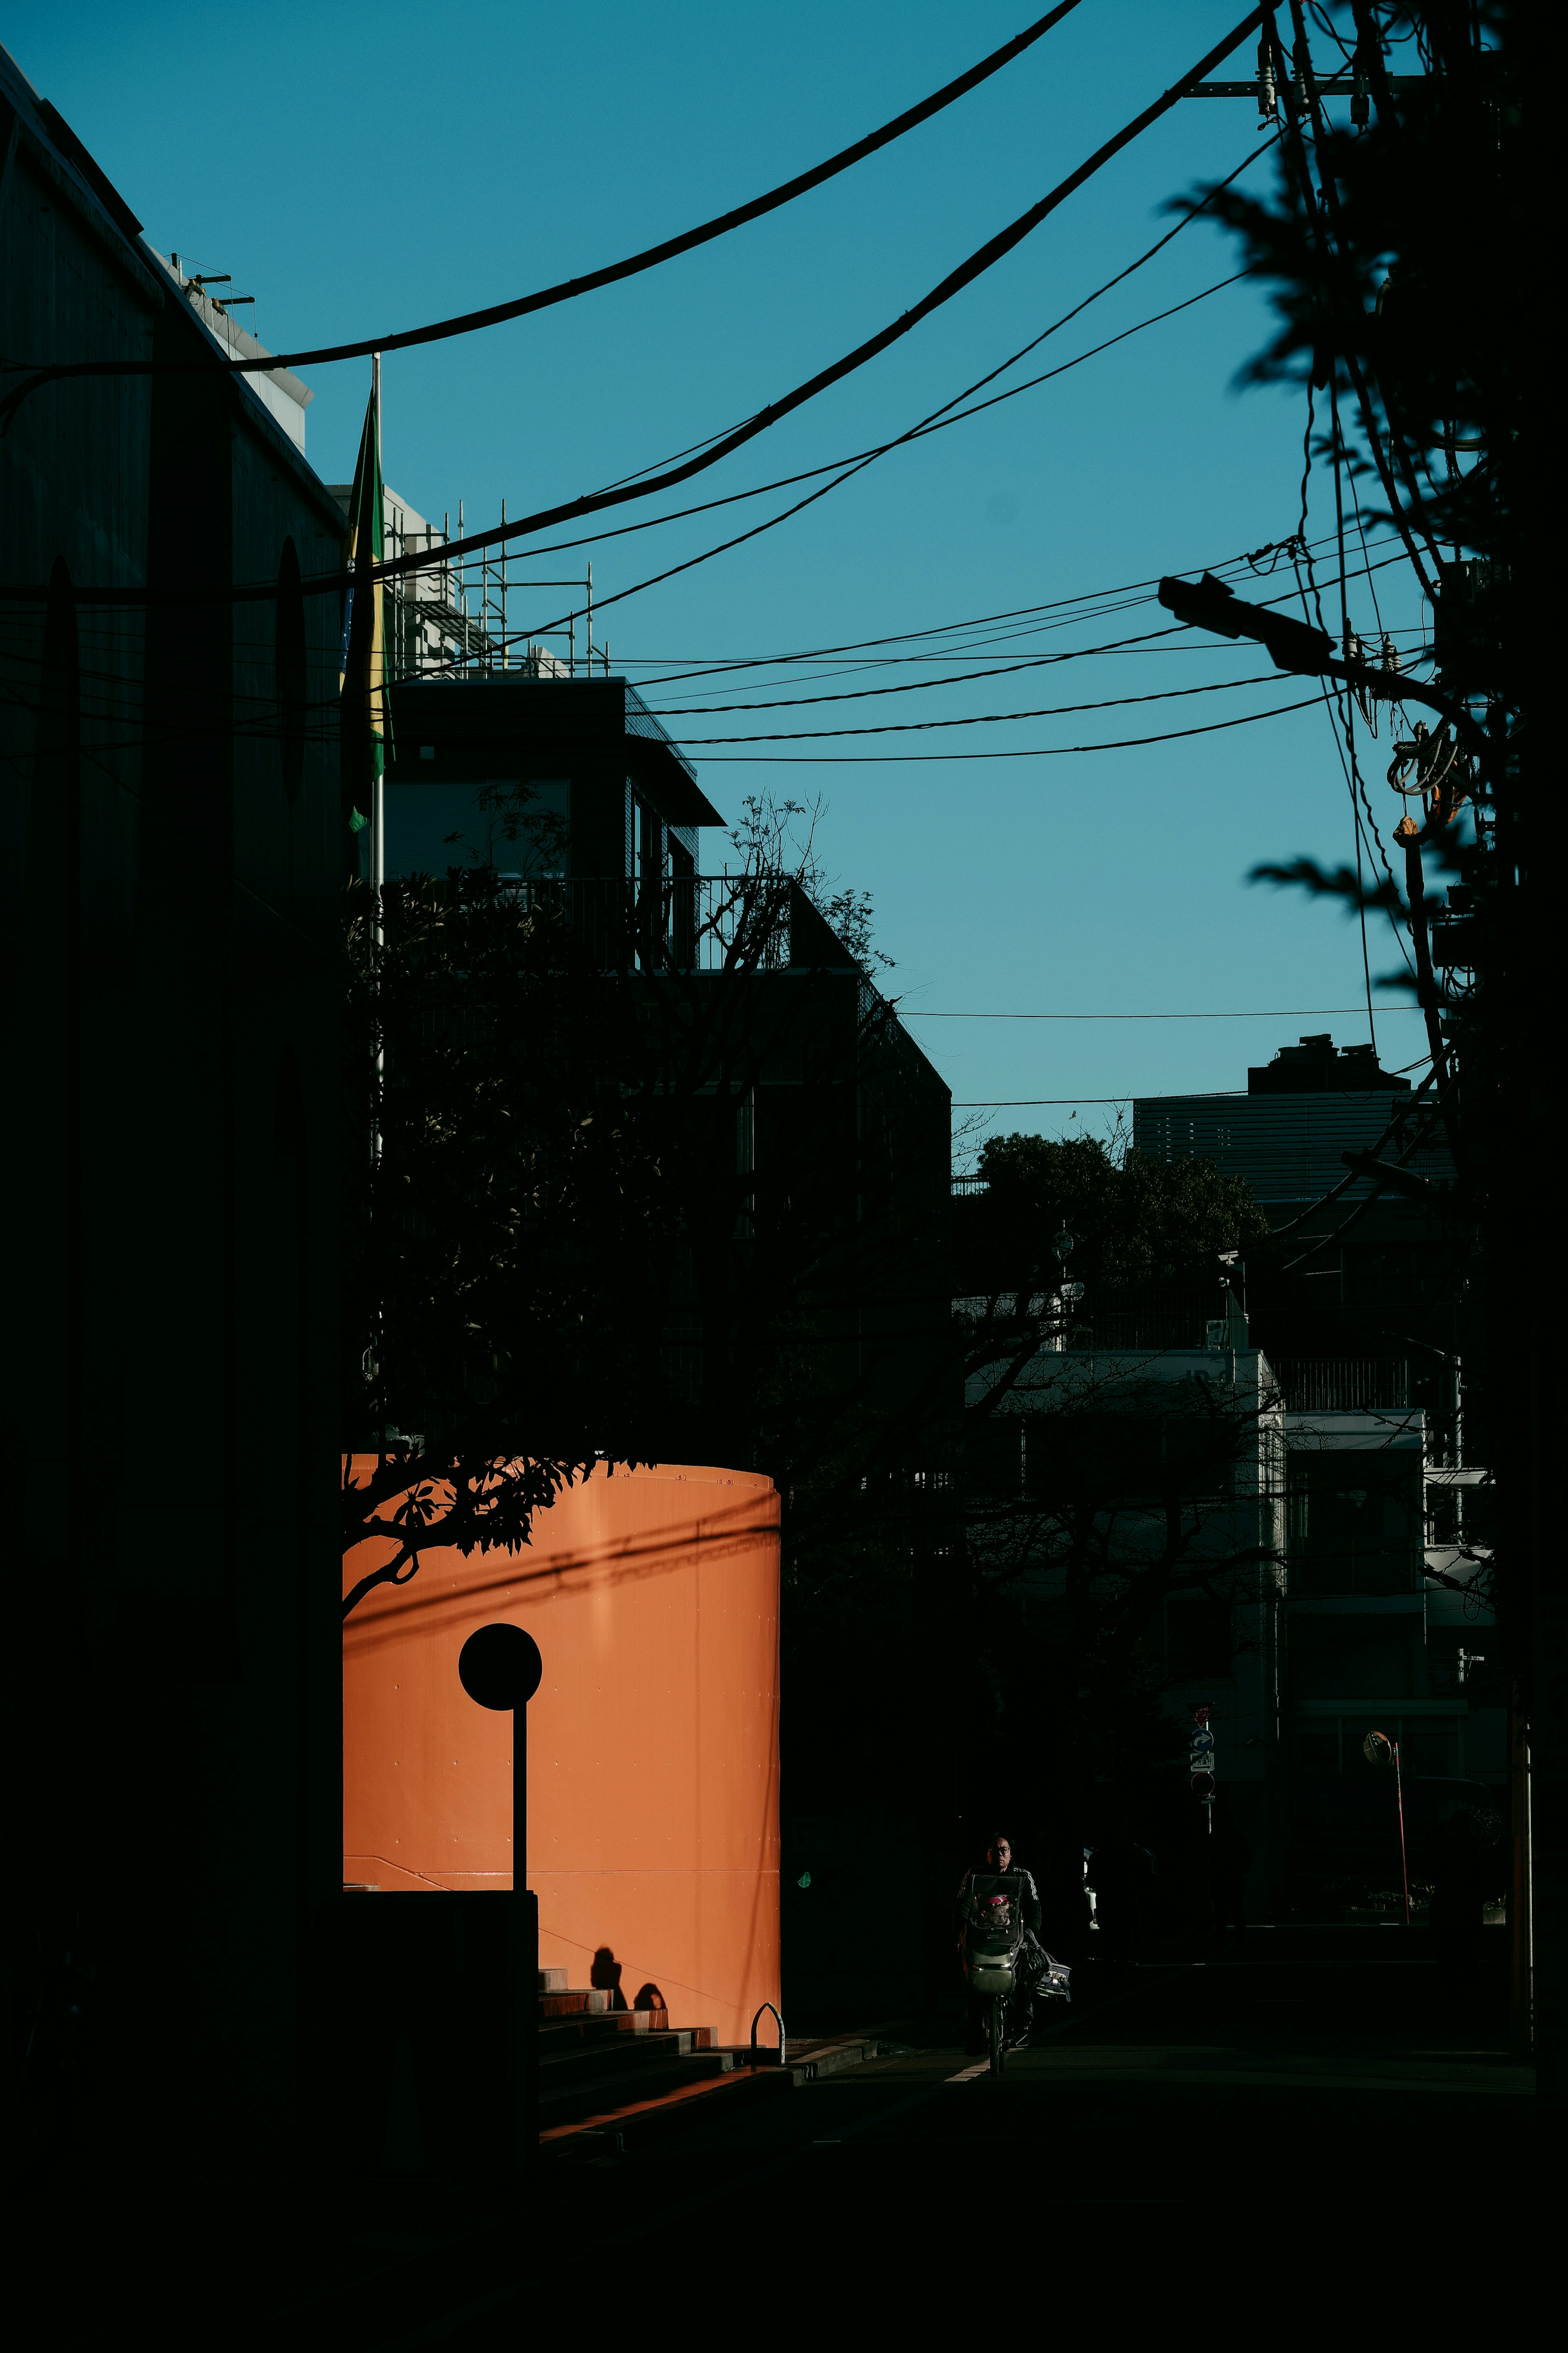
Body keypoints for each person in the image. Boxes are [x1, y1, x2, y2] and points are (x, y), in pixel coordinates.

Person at [957, 1831, 1043, 2052]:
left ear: (1011, 1853)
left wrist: (1032, 1934)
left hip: (1013, 1939)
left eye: (1004, 1850)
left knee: (1023, 1982)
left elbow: (1034, 1909)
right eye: (994, 1850)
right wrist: (961, 1929)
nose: (1000, 1854)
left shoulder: (1023, 1876)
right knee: (972, 1983)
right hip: (981, 1937)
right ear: (987, 1854)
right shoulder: (974, 1875)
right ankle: (975, 2035)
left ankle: (1022, 2030)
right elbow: (963, 1904)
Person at [1207, 1801, 1252, 1947]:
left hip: (1220, 1879)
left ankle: (1221, 1940)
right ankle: (1241, 1939)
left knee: (1221, 1912)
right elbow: (1248, 1857)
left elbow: (1205, 1857)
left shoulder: (1214, 1838)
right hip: (1233, 1879)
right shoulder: (1237, 1838)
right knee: (1237, 1911)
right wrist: (1239, 1870)